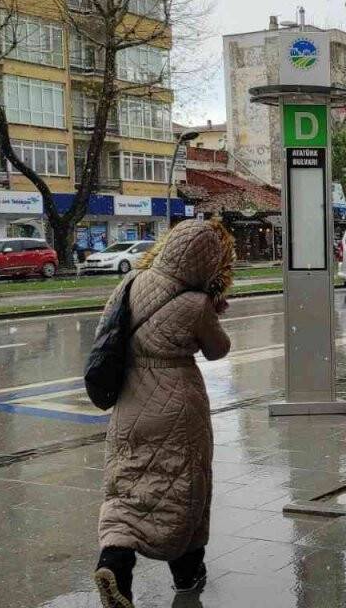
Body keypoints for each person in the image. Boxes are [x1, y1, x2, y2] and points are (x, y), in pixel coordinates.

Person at [93, 220, 234, 608]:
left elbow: (106, 331)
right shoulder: (195, 303)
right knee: (182, 486)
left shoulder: (129, 283)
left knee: (127, 483)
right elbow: (217, 349)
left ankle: (114, 565)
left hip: (129, 399)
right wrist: (213, 314)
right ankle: (187, 573)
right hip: (177, 403)